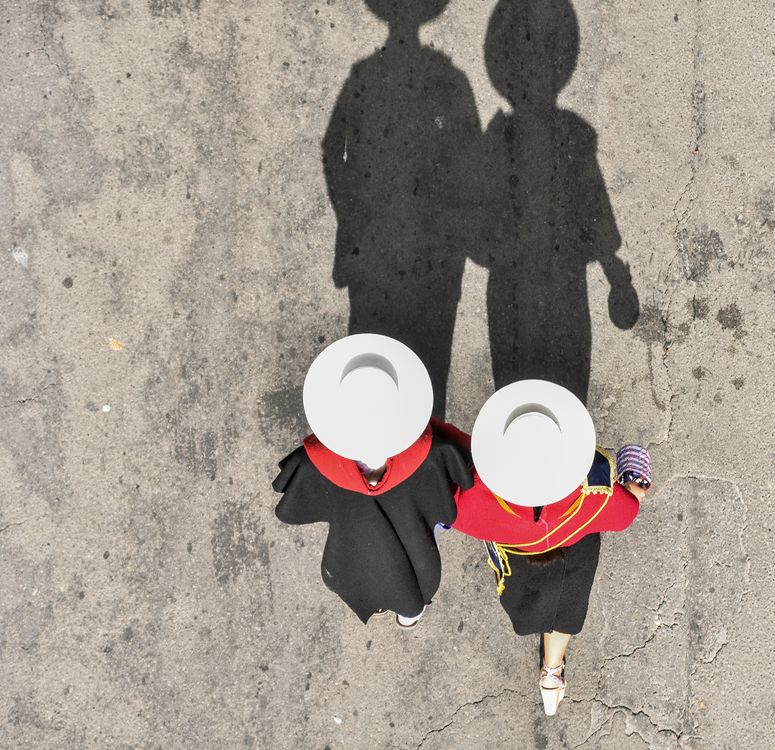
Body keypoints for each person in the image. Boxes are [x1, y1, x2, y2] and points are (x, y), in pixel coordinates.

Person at [321, 0, 482, 417]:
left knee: (373, 366)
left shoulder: (366, 75)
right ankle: (421, 449)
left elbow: (331, 149)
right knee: (427, 368)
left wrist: (352, 217)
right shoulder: (448, 80)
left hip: (377, 249)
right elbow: (472, 163)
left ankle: (373, 444)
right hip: (431, 254)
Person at [474, 0, 640, 403]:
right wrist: (614, 270)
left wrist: (615, 273)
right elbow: (479, 232)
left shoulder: (569, 137)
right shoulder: (505, 140)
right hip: (530, 286)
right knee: (526, 385)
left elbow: (594, 204)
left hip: (552, 284)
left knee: (553, 386)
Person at [452, 380, 649, 715]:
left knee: (528, 607)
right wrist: (634, 484)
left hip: (517, 565)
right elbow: (626, 512)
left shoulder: (471, 500)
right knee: (565, 613)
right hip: (573, 554)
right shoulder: (593, 492)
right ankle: (551, 675)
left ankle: (548, 667)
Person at [272, 334, 473, 628]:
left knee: (364, 567)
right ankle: (410, 613)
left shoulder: (313, 460)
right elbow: (456, 474)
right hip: (414, 533)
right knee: (418, 565)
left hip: (352, 537)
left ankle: (376, 598)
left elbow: (293, 497)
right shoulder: (431, 451)